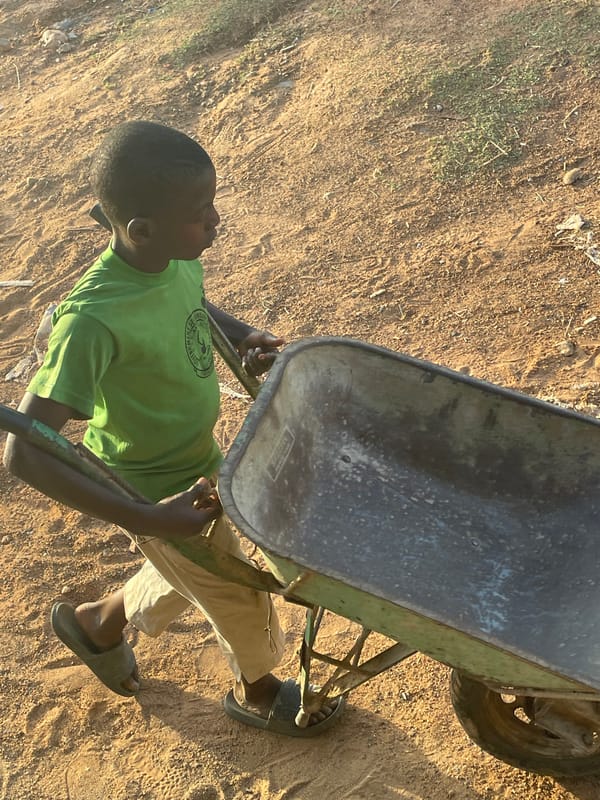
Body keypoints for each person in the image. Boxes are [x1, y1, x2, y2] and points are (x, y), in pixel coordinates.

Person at [3, 120, 343, 736]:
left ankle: (97, 622)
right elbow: (26, 454)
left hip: (202, 458)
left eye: (213, 203)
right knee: (237, 588)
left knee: (197, 562)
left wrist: (241, 334)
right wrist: (146, 518)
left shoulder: (173, 257)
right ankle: (258, 690)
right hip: (149, 485)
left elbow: (190, 300)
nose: (215, 220)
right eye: (200, 212)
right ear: (140, 229)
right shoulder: (91, 322)